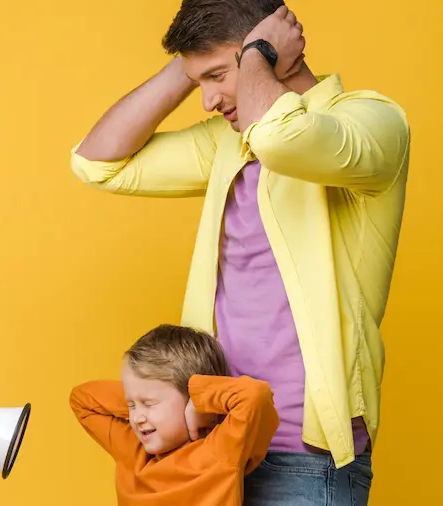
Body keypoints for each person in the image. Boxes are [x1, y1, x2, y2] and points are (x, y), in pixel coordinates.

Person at [69, 1, 410, 504]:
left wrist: (256, 54)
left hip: (305, 457)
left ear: (271, 50)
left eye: (216, 76)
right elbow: (97, 163)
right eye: (199, 80)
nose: (207, 100)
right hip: (210, 443)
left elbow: (278, 135)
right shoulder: (227, 144)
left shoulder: (372, 122)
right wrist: (190, 68)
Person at [70, 324, 279, 505]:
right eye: (131, 406)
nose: (136, 418)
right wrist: (138, 393)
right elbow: (81, 399)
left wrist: (198, 401)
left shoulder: (220, 451)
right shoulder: (132, 450)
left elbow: (255, 395)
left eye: (150, 403)